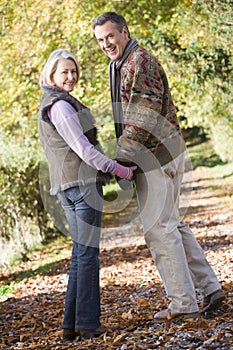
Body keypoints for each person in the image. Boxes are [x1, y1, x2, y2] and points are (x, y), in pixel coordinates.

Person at [92, 12, 225, 322]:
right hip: (160, 154)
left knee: (159, 231)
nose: (106, 44)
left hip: (155, 158)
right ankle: (209, 288)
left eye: (110, 36)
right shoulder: (125, 63)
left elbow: (142, 116)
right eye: (100, 40)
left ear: (124, 32)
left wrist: (120, 160)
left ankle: (183, 305)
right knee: (172, 224)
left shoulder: (139, 62)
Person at [38, 48, 137, 341]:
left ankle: (71, 325)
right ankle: (88, 324)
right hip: (80, 188)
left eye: (73, 71)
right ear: (51, 75)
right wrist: (121, 171)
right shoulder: (60, 106)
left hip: (68, 187)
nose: (70, 76)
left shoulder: (54, 102)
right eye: (64, 72)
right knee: (87, 255)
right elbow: (84, 150)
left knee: (80, 254)